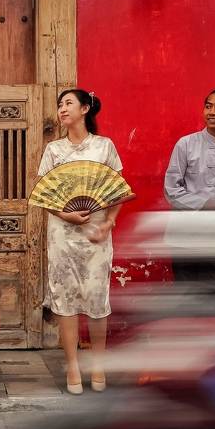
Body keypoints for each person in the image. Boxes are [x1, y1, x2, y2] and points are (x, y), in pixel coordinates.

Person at [38, 88, 124, 394]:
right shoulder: (54, 150)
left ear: (85, 109)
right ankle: (72, 364)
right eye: (60, 105)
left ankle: (97, 363)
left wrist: (108, 223)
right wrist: (65, 214)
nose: (62, 109)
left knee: (97, 297)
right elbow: (44, 194)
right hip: (62, 232)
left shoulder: (104, 146)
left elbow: (117, 190)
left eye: (68, 104)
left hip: (96, 232)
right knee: (65, 298)